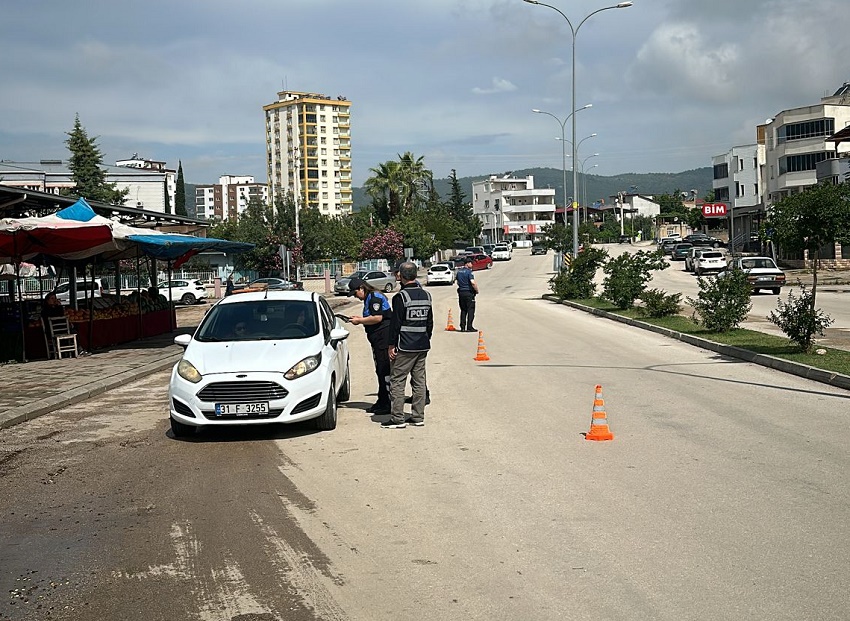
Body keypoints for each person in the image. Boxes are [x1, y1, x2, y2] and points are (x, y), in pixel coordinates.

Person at [385, 261, 433, 429]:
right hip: (422, 345)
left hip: (405, 346)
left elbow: (395, 324)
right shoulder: (427, 295)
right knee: (419, 381)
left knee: (398, 381)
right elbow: (430, 323)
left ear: (402, 276)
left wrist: (391, 345)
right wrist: (426, 338)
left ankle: (397, 418)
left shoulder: (401, 297)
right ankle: (418, 416)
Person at [348, 277, 393, 415]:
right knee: (380, 369)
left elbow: (377, 317)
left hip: (383, 339)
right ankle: (382, 400)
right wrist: (359, 319)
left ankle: (387, 403)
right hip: (377, 339)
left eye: (355, 293)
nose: (356, 297)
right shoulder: (369, 298)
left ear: (362, 288)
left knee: (384, 370)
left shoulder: (374, 297)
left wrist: (360, 321)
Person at [456, 256, 479, 332]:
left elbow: (458, 282)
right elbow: (472, 283)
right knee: (471, 310)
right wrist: (476, 290)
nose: (472, 264)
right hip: (468, 293)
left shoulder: (459, 272)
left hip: (461, 293)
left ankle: (462, 327)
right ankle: (469, 327)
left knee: (463, 310)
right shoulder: (469, 272)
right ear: (467, 264)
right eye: (471, 263)